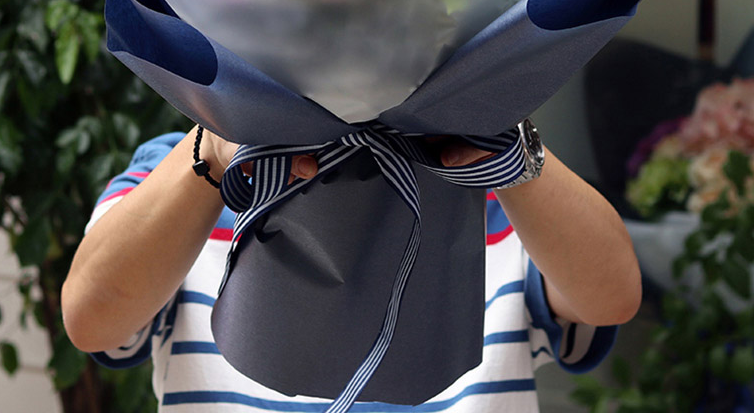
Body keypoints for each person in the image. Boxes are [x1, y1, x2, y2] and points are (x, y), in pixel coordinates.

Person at [61, 125, 641, 412]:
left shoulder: (495, 180)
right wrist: (213, 148)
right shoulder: (194, 175)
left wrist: (506, 144)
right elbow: (92, 320)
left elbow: (611, 297)